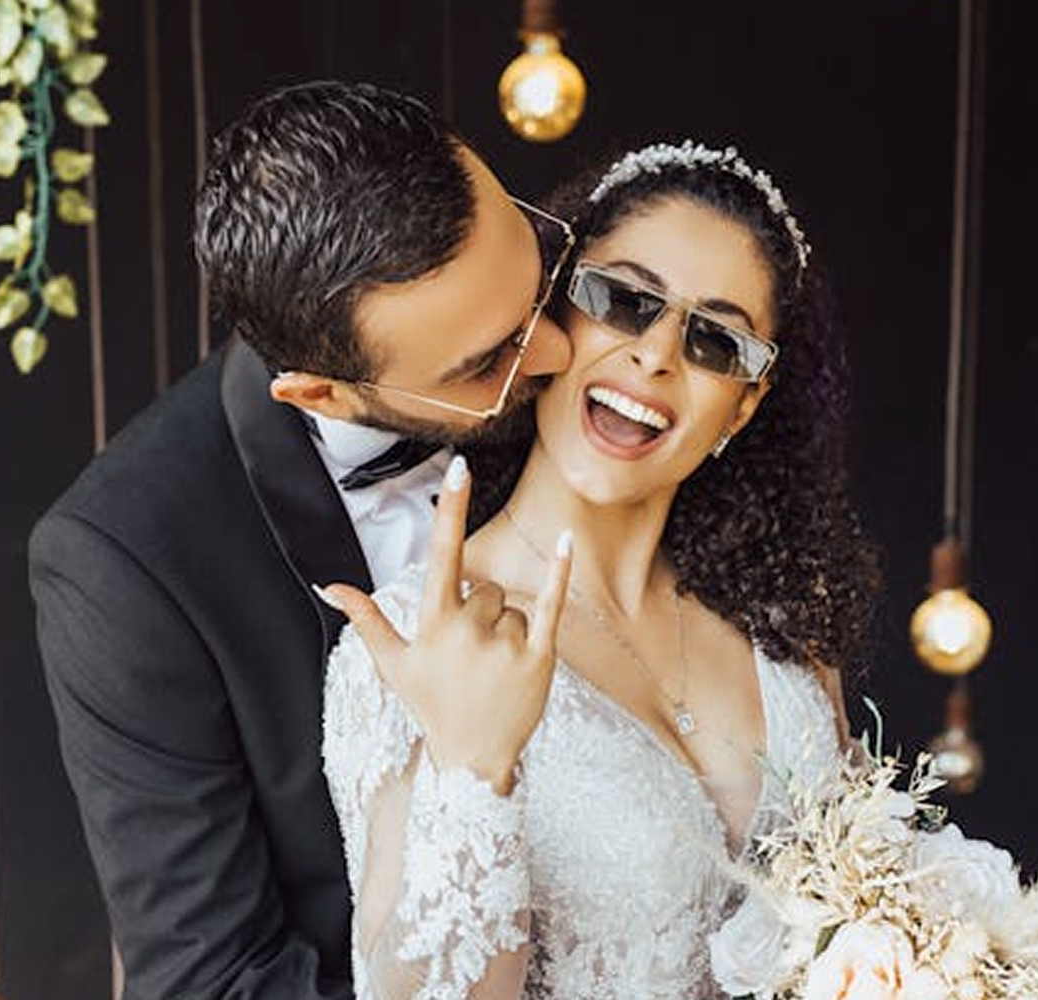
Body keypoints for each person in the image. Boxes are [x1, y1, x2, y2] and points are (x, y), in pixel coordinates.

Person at [28, 79, 578, 1000]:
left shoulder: (591, 375)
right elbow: (216, 978)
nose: (560, 352)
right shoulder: (125, 560)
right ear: (317, 393)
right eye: (490, 363)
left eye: (541, 277)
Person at [320, 140, 882, 998]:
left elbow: (872, 902)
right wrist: (477, 766)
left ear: (746, 401)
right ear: (552, 314)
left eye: (715, 342)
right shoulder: (414, 644)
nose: (656, 354)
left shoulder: (788, 613)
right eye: (623, 300)